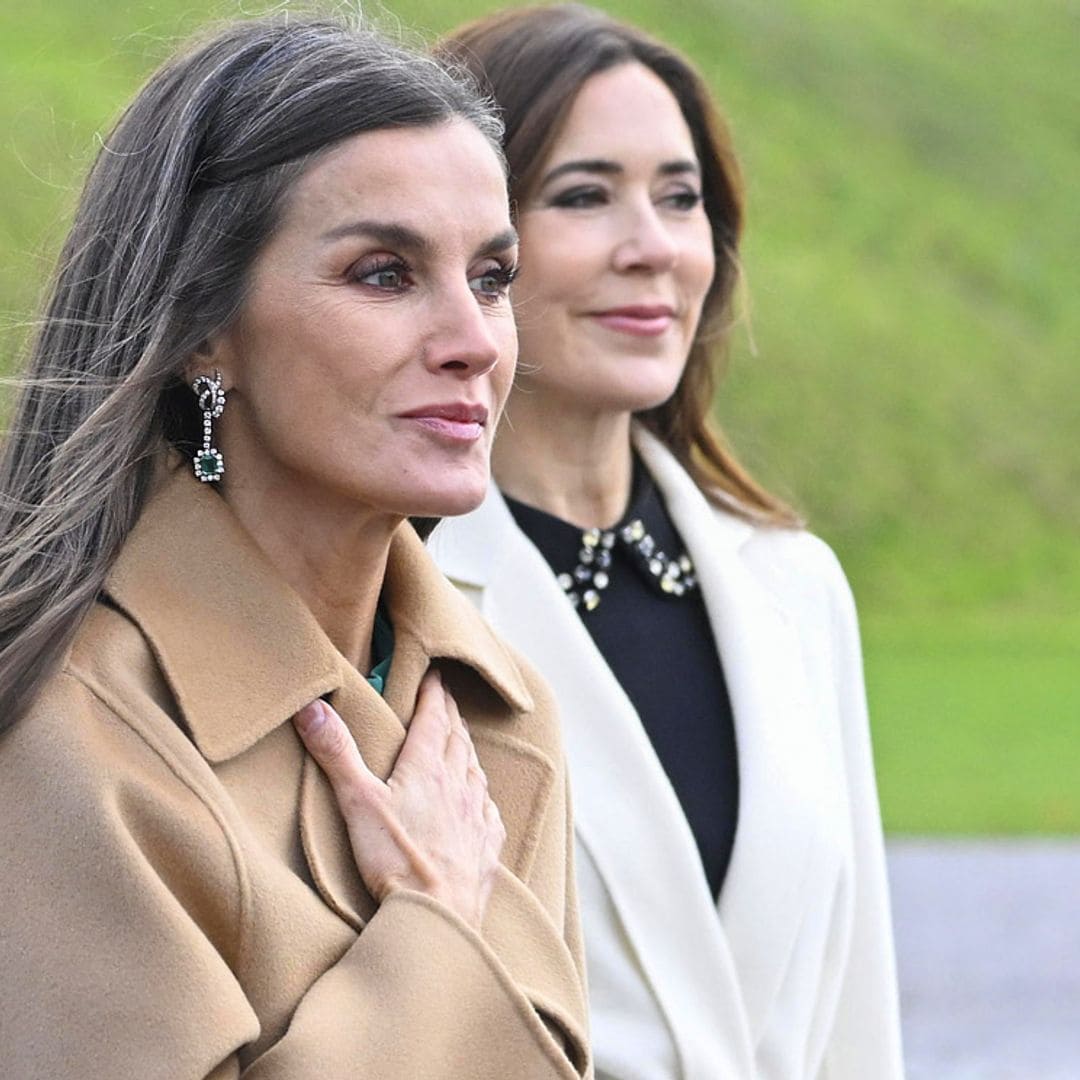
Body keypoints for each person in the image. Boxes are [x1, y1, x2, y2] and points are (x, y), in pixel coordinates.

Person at [0, 15, 591, 1079]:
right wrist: (434, 927)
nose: (473, 341)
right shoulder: (65, 738)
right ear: (203, 331)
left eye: (492, 278)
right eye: (383, 273)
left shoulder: (498, 710)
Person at [428, 6, 904, 1078]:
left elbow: (857, 1025)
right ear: (468, 244)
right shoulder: (388, 588)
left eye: (680, 198)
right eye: (585, 196)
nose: (652, 247)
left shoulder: (796, 584)